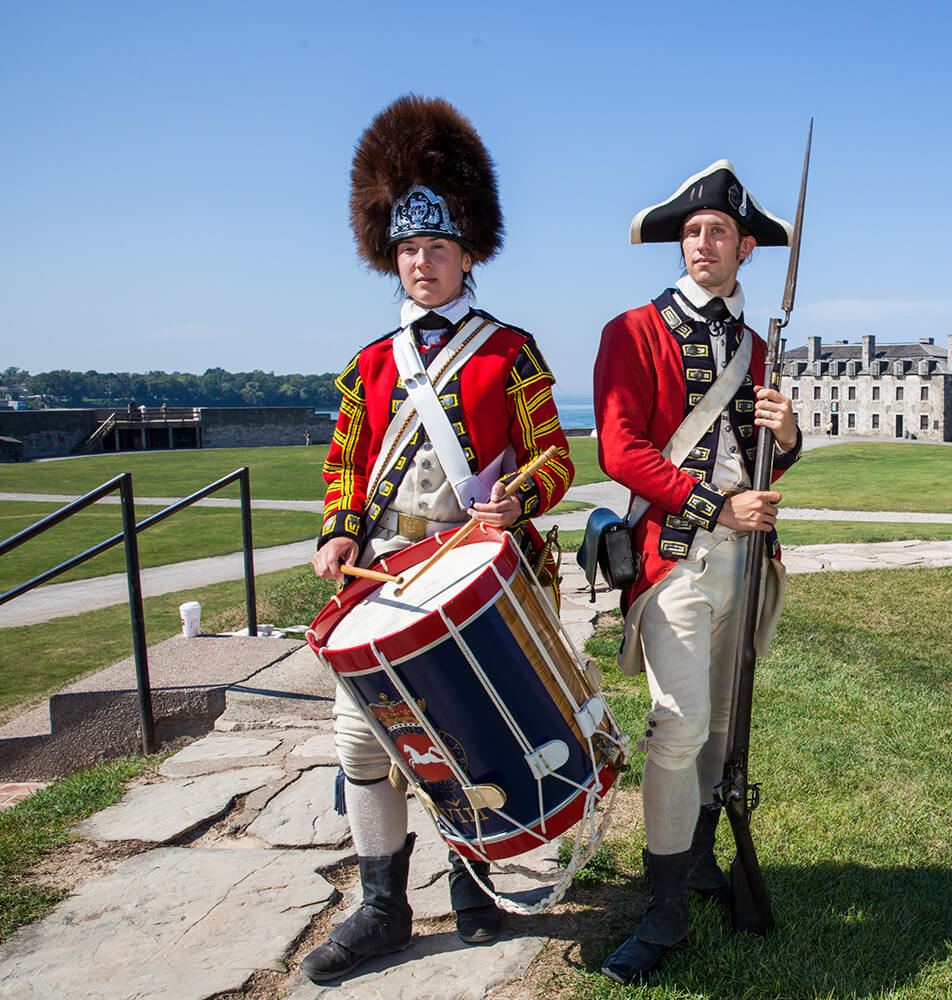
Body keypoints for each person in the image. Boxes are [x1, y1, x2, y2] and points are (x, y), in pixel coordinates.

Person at [301, 95, 575, 983]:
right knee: (362, 742)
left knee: (465, 731)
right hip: (380, 577)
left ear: (468, 256)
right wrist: (339, 533)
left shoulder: (512, 353)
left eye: (439, 248)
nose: (423, 263)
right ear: (395, 257)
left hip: (471, 574)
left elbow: (554, 460)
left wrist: (518, 500)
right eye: (410, 250)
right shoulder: (371, 364)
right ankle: (382, 907)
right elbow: (346, 466)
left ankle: (472, 883)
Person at [593, 160, 801, 984]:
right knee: (677, 726)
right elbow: (622, 450)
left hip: (745, 562)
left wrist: (784, 442)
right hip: (676, 557)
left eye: (717, 232)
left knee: (721, 724)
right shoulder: (632, 331)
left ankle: (704, 862)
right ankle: (665, 906)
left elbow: (761, 469)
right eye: (690, 232)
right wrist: (717, 506)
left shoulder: (757, 348)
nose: (701, 243)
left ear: (745, 247)